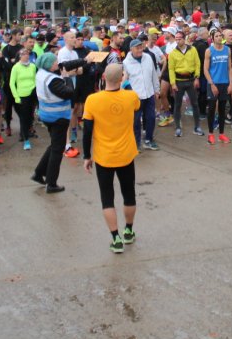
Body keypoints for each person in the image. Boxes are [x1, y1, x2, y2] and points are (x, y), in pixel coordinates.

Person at [82, 65, 141, 253]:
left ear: (104, 76)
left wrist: (86, 156)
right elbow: (137, 107)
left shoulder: (92, 100)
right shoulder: (131, 96)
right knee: (129, 194)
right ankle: (129, 230)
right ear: (122, 77)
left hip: (103, 156)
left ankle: (116, 239)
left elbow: (87, 132)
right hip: (126, 154)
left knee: (107, 198)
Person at [31, 52, 77, 193]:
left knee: (54, 145)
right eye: (55, 63)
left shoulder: (41, 73)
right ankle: (51, 183)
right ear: (49, 65)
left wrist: (84, 61)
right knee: (58, 150)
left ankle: (39, 173)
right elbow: (69, 92)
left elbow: (64, 65)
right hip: (58, 117)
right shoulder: (53, 80)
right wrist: (67, 78)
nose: (57, 64)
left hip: (48, 115)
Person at [122, 38, 160, 150]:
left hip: (149, 94)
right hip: (136, 97)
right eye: (137, 48)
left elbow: (153, 74)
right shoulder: (126, 62)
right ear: (131, 49)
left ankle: (148, 139)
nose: (140, 50)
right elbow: (124, 81)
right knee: (136, 121)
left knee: (151, 118)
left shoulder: (148, 57)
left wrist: (156, 89)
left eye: (141, 47)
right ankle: (136, 142)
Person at [168, 30, 203, 137]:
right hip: (179, 82)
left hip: (191, 80)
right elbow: (171, 69)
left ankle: (197, 127)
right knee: (177, 105)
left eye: (180, 38)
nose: (178, 41)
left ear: (184, 39)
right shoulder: (173, 53)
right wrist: (173, 83)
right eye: (176, 39)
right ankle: (178, 127)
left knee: (195, 104)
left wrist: (197, 77)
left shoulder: (193, 50)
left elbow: (198, 63)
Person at [203, 29, 232, 145]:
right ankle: (211, 134)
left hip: (224, 83)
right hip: (213, 83)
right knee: (211, 109)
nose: (219, 38)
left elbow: (229, 68)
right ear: (213, 38)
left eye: (220, 36)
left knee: (222, 109)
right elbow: (205, 69)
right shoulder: (209, 51)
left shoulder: (227, 50)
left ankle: (221, 134)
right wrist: (211, 84)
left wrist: (230, 83)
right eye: (217, 36)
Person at [10, 44, 38, 150]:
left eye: (28, 54)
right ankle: (25, 139)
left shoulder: (32, 66)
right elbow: (12, 83)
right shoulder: (16, 67)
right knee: (23, 118)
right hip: (22, 95)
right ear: (20, 56)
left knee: (30, 116)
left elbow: (35, 79)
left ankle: (26, 132)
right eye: (24, 54)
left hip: (32, 94)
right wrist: (16, 96)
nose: (26, 56)